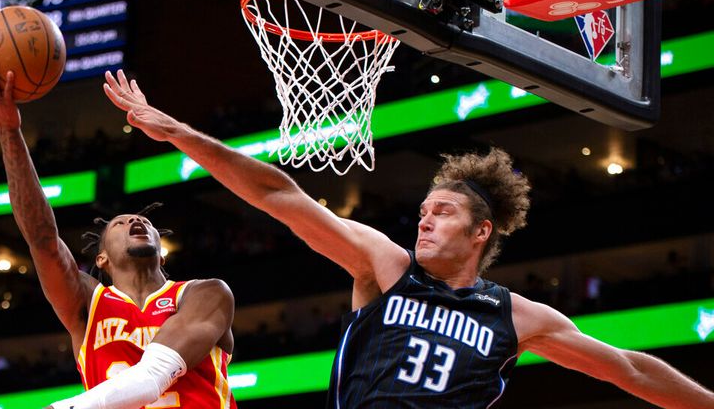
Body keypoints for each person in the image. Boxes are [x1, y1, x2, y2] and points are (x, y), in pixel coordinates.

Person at [102, 69, 714, 408]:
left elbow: (630, 370)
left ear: (481, 231)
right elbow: (277, 195)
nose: (423, 219)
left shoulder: (518, 317)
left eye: (442, 212)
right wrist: (179, 131)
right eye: (423, 209)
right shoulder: (386, 267)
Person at [0, 56, 237, 409]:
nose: (136, 222)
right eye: (121, 223)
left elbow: (153, 375)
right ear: (101, 258)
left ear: (161, 249)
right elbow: (42, 239)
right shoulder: (87, 305)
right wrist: (8, 130)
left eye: (144, 223)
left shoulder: (207, 294)